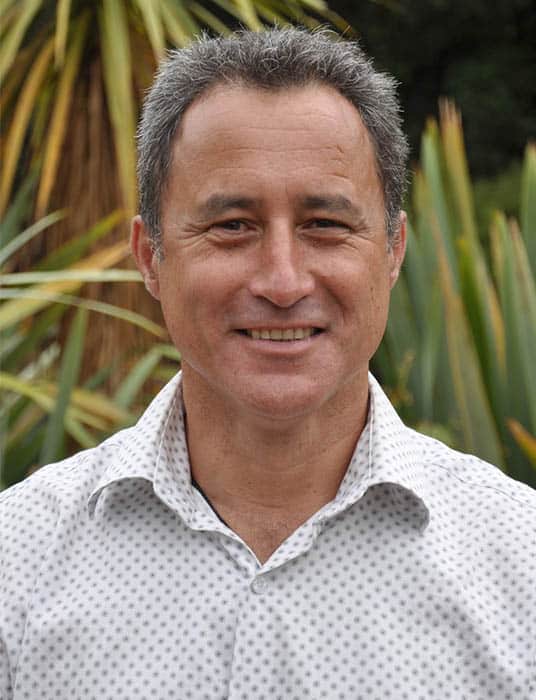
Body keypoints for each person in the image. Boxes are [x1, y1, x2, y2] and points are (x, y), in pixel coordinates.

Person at [1, 27, 535, 700]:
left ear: (393, 251)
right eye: (232, 226)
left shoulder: (522, 569)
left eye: (325, 224)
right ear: (150, 257)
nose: (283, 282)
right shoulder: (16, 561)